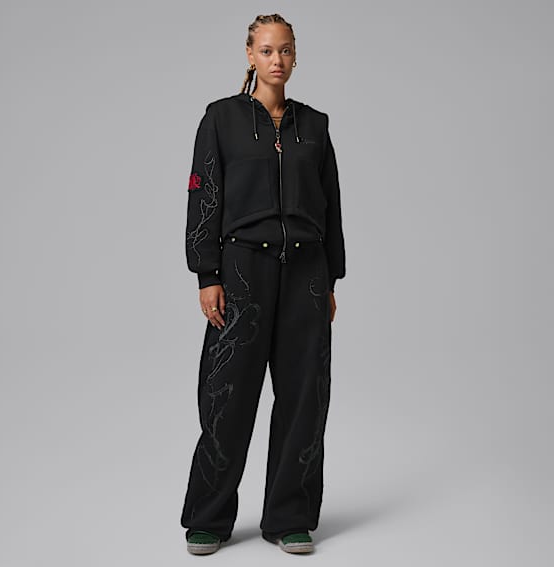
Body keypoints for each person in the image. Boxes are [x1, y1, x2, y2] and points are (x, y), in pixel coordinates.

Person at [181, 13, 346, 555]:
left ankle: (289, 517)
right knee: (226, 396)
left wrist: (331, 279)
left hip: (306, 273)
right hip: (242, 271)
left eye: (287, 50)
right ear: (250, 55)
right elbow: (204, 195)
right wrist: (207, 274)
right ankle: (208, 517)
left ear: (296, 57)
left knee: (305, 398)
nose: (278, 60)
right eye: (268, 50)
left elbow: (331, 205)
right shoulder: (221, 119)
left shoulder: (314, 125)